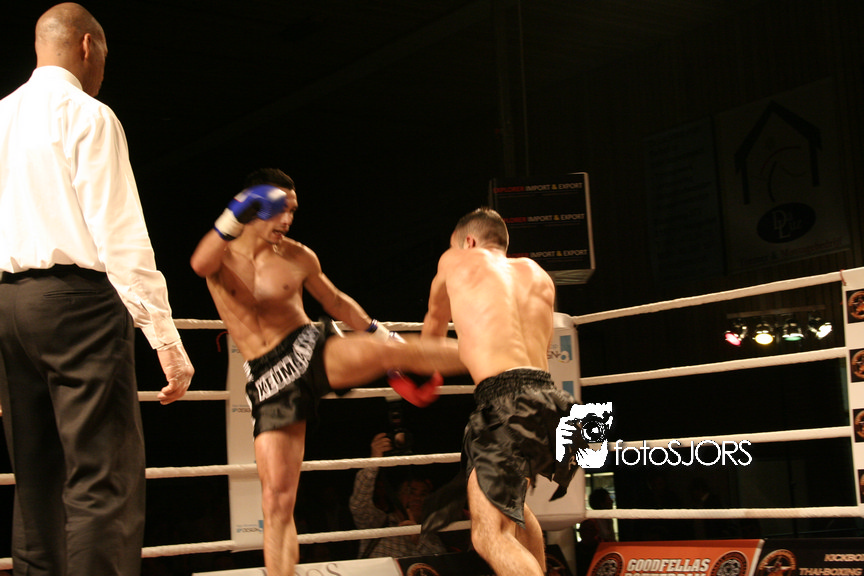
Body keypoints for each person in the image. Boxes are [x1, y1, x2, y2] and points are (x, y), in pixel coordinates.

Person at [189, 167, 464, 576]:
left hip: (308, 348)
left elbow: (335, 302)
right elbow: (199, 264)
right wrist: (235, 212)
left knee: (387, 349)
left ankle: (494, 357)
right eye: (279, 209)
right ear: (254, 205)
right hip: (269, 379)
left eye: (293, 211)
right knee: (277, 503)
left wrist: (380, 332)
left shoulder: (298, 255)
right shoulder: (222, 255)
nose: (287, 219)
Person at [0, 4, 195, 575]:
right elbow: (120, 235)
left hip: (9, 307)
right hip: (78, 308)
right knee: (102, 477)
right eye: (104, 55)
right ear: (87, 46)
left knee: (35, 479)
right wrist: (166, 340)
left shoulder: (1, 115)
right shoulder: (87, 114)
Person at [420, 208, 584, 576]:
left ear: (468, 241)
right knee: (516, 511)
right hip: (552, 403)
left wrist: (417, 374)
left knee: (488, 534)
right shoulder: (538, 275)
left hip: (504, 401)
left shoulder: (455, 259)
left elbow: (431, 341)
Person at [349, 432, 446, 559]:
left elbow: (441, 564)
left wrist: (418, 539)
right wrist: (373, 462)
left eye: (423, 494)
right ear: (397, 497)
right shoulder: (378, 522)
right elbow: (359, 504)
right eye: (411, 492)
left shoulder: (431, 535)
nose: (417, 498)